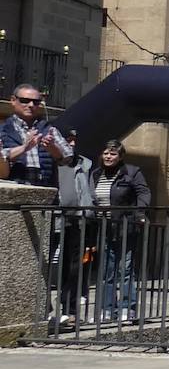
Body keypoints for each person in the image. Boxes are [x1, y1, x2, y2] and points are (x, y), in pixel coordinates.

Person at [90, 139, 151, 323]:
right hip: (105, 226)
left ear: (120, 156)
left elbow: (143, 193)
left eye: (113, 153)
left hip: (126, 226)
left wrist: (139, 213)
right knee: (107, 270)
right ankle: (107, 309)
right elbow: (93, 198)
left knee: (125, 269)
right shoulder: (96, 173)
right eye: (106, 153)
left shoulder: (132, 172)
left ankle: (127, 308)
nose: (109, 156)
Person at [50, 129, 94, 327]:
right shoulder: (50, 160)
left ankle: (71, 310)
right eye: (68, 140)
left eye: (74, 141)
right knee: (46, 261)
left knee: (74, 267)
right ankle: (45, 311)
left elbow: (88, 190)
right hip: (53, 218)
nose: (72, 144)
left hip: (76, 220)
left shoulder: (84, 163)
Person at [1, 84, 70, 187]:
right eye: (25, 100)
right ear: (13, 100)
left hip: (46, 194)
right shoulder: (3, 130)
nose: (31, 105)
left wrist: (53, 149)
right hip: (12, 192)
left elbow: (68, 158)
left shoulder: (48, 129)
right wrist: (24, 148)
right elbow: (2, 157)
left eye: (36, 102)